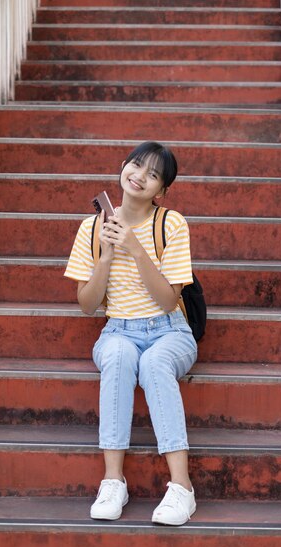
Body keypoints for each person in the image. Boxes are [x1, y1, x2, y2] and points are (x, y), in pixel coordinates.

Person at [64, 141, 198, 526]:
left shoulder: (170, 223)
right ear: (123, 167)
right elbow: (88, 304)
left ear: (162, 190)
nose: (140, 176)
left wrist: (136, 249)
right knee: (120, 356)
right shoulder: (91, 228)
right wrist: (106, 254)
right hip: (118, 330)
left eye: (153, 174)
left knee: (155, 362)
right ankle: (112, 482)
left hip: (168, 330)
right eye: (136, 166)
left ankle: (181, 488)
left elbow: (167, 299)